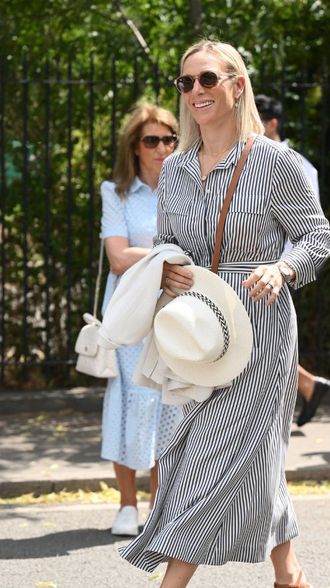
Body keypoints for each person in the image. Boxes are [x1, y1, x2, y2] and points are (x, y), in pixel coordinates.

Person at [108, 39, 330, 588]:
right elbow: (169, 244)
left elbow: (316, 237)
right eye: (185, 82)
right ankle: (291, 586)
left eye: (207, 77)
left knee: (215, 465)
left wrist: (281, 266)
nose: (195, 90)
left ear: (237, 85)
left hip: (259, 334)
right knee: (237, 461)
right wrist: (170, 272)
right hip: (198, 330)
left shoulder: (275, 162)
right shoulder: (174, 169)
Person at [98, 102, 185, 537]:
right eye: (152, 140)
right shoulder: (115, 192)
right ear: (135, 146)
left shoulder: (190, 188)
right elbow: (117, 257)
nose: (162, 148)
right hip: (132, 313)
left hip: (176, 311)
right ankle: (127, 503)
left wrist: (150, 259)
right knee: (132, 398)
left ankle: (160, 505)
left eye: (169, 138)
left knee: (171, 401)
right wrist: (166, 258)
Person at [255, 94, 330, 421]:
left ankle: (298, 391)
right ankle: (308, 385)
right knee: (259, 344)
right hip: (258, 270)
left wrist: (284, 270)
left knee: (264, 344)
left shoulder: (295, 163)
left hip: (280, 270)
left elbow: (308, 227)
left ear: (272, 123)